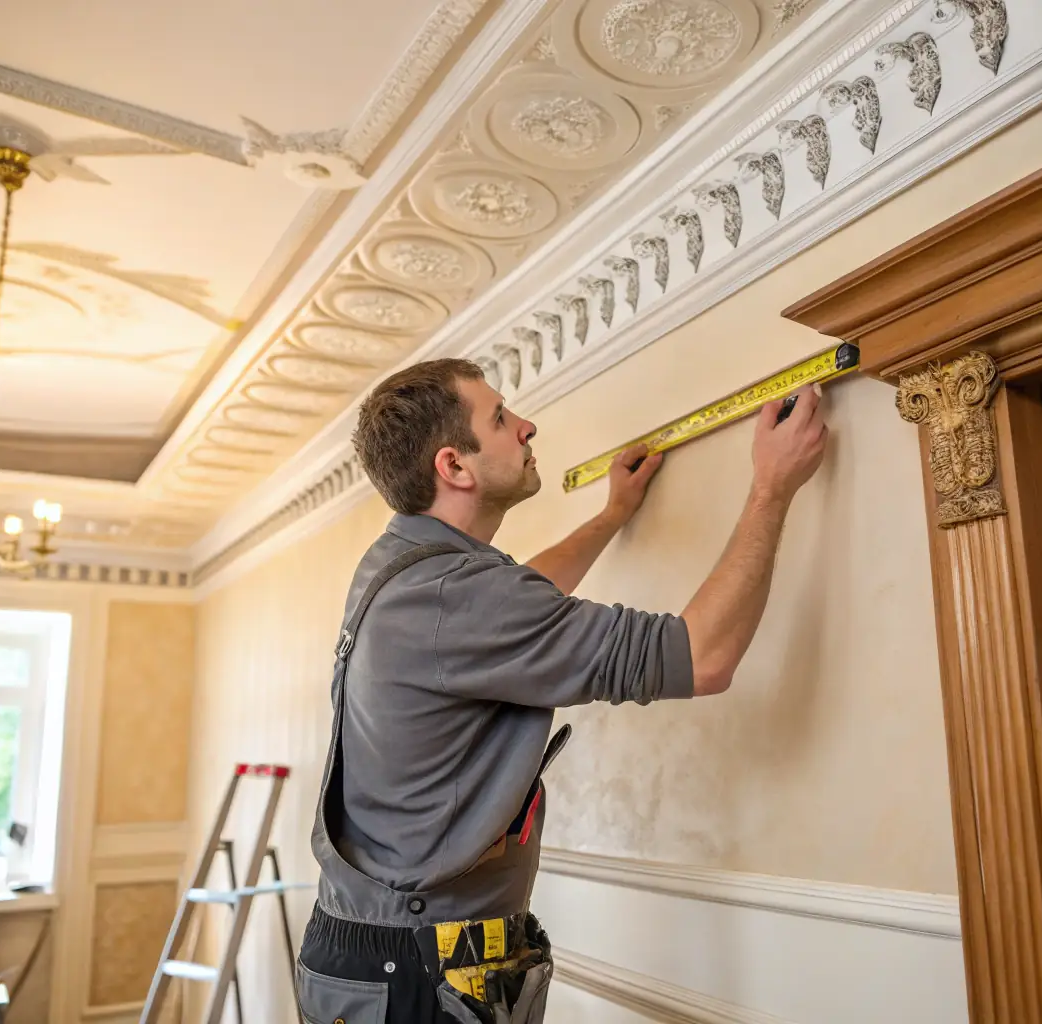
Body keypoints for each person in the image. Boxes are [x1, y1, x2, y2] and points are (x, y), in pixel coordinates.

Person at [296, 358, 828, 1023]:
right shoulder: (454, 595)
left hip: (375, 953)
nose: (526, 426)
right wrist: (771, 488)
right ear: (454, 467)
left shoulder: (405, 568)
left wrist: (611, 517)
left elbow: (518, 601)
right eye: (499, 418)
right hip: (417, 970)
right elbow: (704, 656)